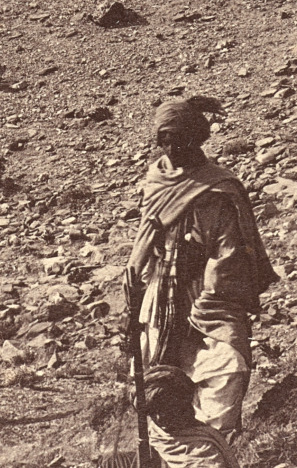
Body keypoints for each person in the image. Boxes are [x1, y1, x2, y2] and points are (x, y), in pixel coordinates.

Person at [120, 94, 276, 468]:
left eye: (179, 139)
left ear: (196, 138)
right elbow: (145, 245)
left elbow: (228, 256)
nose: (172, 149)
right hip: (159, 297)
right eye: (164, 140)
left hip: (209, 299)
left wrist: (204, 302)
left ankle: (208, 452)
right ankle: (171, 456)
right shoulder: (156, 181)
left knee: (227, 366)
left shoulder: (218, 189)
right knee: (153, 386)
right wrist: (138, 290)